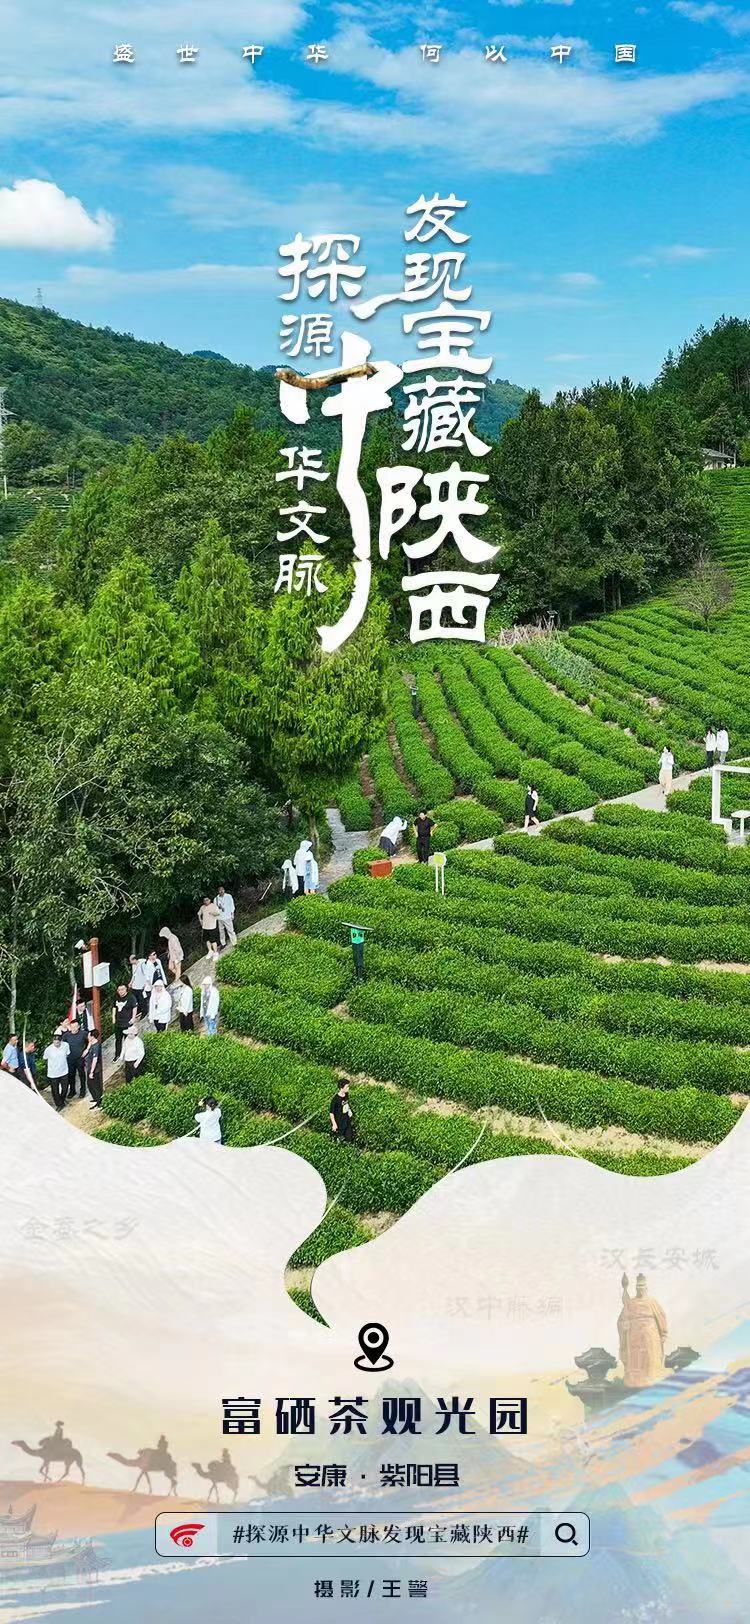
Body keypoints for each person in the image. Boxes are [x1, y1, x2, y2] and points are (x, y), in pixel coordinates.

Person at [43, 1032, 71, 1111]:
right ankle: (59, 1104)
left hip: (64, 1071)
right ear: (53, 1042)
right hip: (53, 1073)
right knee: (55, 1090)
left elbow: (67, 1054)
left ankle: (62, 1099)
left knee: (65, 1088)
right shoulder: (48, 1049)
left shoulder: (66, 1045)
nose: (56, 1044)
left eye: (58, 1043)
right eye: (55, 1043)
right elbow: (45, 1058)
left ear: (61, 1041)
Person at [112, 984, 137, 1062]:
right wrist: (113, 1017)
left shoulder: (131, 997)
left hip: (127, 1022)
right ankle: (117, 1055)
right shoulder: (116, 997)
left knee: (128, 1039)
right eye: (119, 990)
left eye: (122, 989)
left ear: (126, 989)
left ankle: (127, 1054)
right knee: (118, 1040)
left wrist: (133, 1018)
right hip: (118, 1023)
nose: (121, 991)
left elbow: (134, 1007)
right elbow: (114, 1007)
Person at [64, 1019, 87, 1101]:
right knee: (71, 1075)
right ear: (70, 1027)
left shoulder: (83, 1034)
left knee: (81, 1074)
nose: (74, 1028)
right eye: (72, 1027)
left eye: (75, 1027)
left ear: (78, 1026)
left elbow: (90, 1041)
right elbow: (62, 1045)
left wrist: (86, 1050)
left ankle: (83, 1090)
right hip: (70, 1059)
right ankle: (72, 1090)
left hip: (80, 1058)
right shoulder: (66, 1035)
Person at [83, 1027, 103, 1110]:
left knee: (95, 1086)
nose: (87, 1037)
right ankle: (96, 1099)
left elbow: (95, 1060)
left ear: (92, 1037)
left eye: (89, 1036)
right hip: (89, 1068)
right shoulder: (91, 1044)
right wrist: (89, 1045)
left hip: (94, 1069)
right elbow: (84, 1054)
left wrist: (91, 1071)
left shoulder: (96, 1046)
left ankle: (99, 1103)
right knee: (90, 1085)